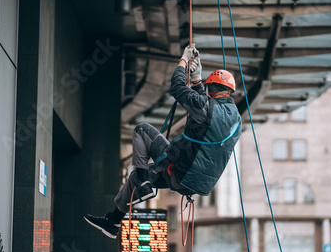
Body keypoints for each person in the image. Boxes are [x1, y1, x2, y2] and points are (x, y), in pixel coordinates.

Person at [84, 44, 242, 238]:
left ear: (212, 88)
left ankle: (143, 182)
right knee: (135, 178)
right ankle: (113, 222)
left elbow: (177, 88)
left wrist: (183, 60)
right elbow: (206, 112)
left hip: (181, 173)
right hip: (195, 183)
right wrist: (197, 80)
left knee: (142, 130)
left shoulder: (205, 107)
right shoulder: (236, 119)